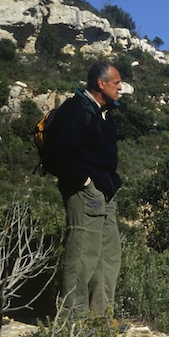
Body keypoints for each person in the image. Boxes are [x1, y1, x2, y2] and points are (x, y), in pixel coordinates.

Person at [52, 61, 124, 315]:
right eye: (116, 83)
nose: (120, 88)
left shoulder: (105, 114)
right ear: (100, 83)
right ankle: (74, 318)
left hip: (106, 193)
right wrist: (86, 183)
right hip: (84, 193)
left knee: (108, 255)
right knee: (83, 253)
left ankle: (101, 317)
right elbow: (63, 154)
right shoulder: (74, 110)